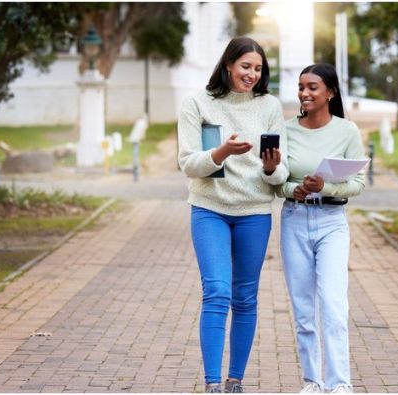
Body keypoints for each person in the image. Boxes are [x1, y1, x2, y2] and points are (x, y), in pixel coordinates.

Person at [177, 37, 288, 393]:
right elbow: (188, 164)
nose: (252, 74)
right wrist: (222, 151)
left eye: (258, 68)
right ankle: (212, 383)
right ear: (228, 65)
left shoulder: (269, 106)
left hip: (254, 212)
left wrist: (273, 168)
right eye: (245, 66)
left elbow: (280, 174)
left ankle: (235, 381)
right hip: (210, 209)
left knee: (245, 297)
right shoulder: (197, 103)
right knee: (217, 292)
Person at [278, 63, 366, 393]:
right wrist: (294, 189)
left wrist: (324, 188)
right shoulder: (287, 130)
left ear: (330, 92)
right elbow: (276, 182)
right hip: (294, 220)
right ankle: (312, 382)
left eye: (312, 87)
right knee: (303, 310)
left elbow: (357, 183)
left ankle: (339, 385)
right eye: (301, 86)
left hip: (332, 223)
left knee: (333, 306)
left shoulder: (347, 131)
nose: (304, 93)